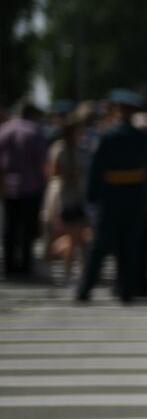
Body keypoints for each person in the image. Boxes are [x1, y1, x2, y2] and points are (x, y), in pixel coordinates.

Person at [77, 90, 147, 302]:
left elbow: (96, 168)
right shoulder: (143, 138)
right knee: (129, 245)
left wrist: (92, 195)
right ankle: (126, 289)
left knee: (100, 245)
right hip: (135, 195)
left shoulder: (107, 136)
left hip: (111, 195)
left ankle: (85, 288)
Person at [0, 102, 48, 278]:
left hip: (8, 185)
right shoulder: (35, 131)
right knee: (28, 227)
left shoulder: (3, 130)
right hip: (31, 186)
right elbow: (42, 161)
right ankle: (25, 263)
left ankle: (8, 265)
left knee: (10, 226)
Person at [42, 116, 89, 285]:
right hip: (64, 197)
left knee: (80, 237)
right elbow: (53, 171)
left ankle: (76, 269)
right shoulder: (60, 149)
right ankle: (65, 268)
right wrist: (71, 173)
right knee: (71, 236)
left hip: (79, 197)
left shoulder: (81, 148)